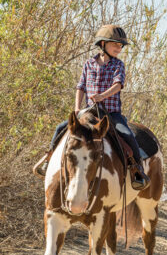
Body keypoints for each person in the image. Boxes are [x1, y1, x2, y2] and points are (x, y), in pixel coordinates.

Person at [33, 24, 150, 190]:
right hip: (89, 110)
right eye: (115, 44)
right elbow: (80, 87)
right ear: (102, 44)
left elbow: (118, 85)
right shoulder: (89, 64)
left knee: (127, 133)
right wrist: (76, 107)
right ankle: (48, 159)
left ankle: (137, 170)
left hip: (111, 113)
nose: (119, 47)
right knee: (60, 128)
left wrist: (102, 96)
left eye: (121, 45)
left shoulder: (118, 65)